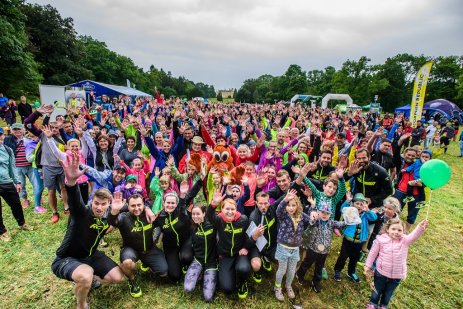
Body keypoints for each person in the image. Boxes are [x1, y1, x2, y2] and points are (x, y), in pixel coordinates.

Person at [51, 153, 125, 309]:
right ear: (92, 202)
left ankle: (90, 281)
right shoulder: (81, 213)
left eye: (103, 204)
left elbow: (117, 218)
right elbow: (75, 201)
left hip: (90, 256)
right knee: (85, 275)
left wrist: (144, 210)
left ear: (108, 205)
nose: (99, 207)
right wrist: (71, 182)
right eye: (96, 203)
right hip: (67, 258)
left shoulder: (106, 216)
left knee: (118, 278)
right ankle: (82, 304)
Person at [108, 193, 168, 298]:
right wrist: (114, 211)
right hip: (131, 250)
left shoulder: (149, 215)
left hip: (149, 249)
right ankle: (132, 280)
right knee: (127, 263)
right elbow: (113, 221)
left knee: (164, 272)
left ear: (143, 204)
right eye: (133, 206)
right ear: (128, 206)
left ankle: (146, 262)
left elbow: (161, 221)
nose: (136, 208)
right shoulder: (124, 217)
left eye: (139, 205)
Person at [364, 219, 428, 309]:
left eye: (399, 230)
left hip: (397, 275)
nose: (396, 232)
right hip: (381, 272)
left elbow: (413, 236)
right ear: (387, 229)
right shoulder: (380, 240)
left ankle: (383, 306)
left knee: (388, 293)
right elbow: (373, 253)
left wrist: (420, 227)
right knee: (377, 290)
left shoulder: (405, 240)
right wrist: (368, 265)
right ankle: (373, 304)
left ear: (403, 231)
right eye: (393, 229)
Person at [24, 105, 69, 223]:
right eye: (52, 127)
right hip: (48, 167)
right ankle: (54, 212)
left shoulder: (64, 137)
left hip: (63, 167)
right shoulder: (43, 135)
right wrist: (38, 113)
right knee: (51, 190)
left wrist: (62, 129)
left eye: (56, 127)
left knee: (64, 188)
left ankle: (66, 207)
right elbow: (28, 124)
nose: (54, 129)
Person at [208, 189, 252, 299]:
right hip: (225, 255)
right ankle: (226, 272)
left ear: (236, 209)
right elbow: (209, 216)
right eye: (227, 209)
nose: (230, 212)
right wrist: (213, 204)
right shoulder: (219, 220)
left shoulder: (243, 219)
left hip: (239, 254)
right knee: (227, 288)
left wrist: (246, 247)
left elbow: (248, 235)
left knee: (243, 269)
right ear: (222, 209)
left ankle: (243, 282)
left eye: (232, 209)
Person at [273, 189, 310, 301]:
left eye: (293, 205)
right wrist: (285, 200)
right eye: (288, 205)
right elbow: (278, 210)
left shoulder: (301, 215)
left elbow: (312, 221)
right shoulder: (283, 215)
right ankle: (277, 287)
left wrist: (313, 212)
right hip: (283, 247)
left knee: (291, 270)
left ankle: (288, 285)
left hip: (295, 248)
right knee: (282, 269)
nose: (291, 208)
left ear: (297, 205)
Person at [333, 193, 377, 283]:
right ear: (353, 204)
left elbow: (374, 218)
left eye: (362, 204)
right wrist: (347, 201)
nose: (359, 206)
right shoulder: (350, 212)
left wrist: (368, 210)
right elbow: (342, 209)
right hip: (348, 240)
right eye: (357, 203)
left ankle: (351, 272)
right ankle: (338, 270)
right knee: (343, 256)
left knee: (354, 258)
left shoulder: (366, 215)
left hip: (359, 242)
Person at [0, 127, 33, 242]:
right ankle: (2, 231)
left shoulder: (7, 150)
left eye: (0, 135)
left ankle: (22, 223)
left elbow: (12, 167)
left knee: (16, 204)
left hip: (7, 182)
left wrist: (17, 182)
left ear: (3, 136)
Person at [184, 203, 218, 302]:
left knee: (208, 297)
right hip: (198, 260)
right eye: (193, 214)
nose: (195, 216)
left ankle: (205, 274)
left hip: (211, 263)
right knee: (188, 289)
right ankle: (199, 272)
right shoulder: (191, 226)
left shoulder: (212, 224)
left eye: (198, 214)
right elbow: (182, 207)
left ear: (204, 214)